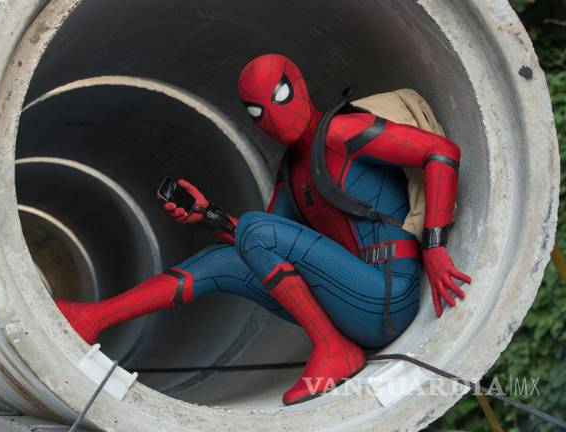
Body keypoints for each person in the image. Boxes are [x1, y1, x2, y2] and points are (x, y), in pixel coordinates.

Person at [54, 53, 471, 405]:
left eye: (280, 95)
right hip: (347, 301)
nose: (272, 114)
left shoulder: (344, 131)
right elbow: (260, 242)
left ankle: (333, 348)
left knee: (256, 229)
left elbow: (440, 153)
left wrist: (434, 245)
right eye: (257, 111)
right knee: (224, 260)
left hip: (386, 296)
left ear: (300, 87)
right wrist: (209, 215)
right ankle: (95, 317)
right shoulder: (292, 169)